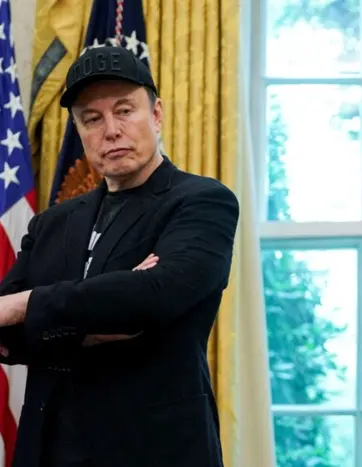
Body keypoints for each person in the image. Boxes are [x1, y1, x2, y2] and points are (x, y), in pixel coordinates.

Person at [0, 46, 239, 467]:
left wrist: (25, 306)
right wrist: (104, 315)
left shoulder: (202, 201)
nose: (111, 130)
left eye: (125, 111)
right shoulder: (52, 223)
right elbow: (5, 338)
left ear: (156, 114)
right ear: (79, 131)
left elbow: (154, 296)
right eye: (92, 119)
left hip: (153, 450)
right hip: (48, 449)